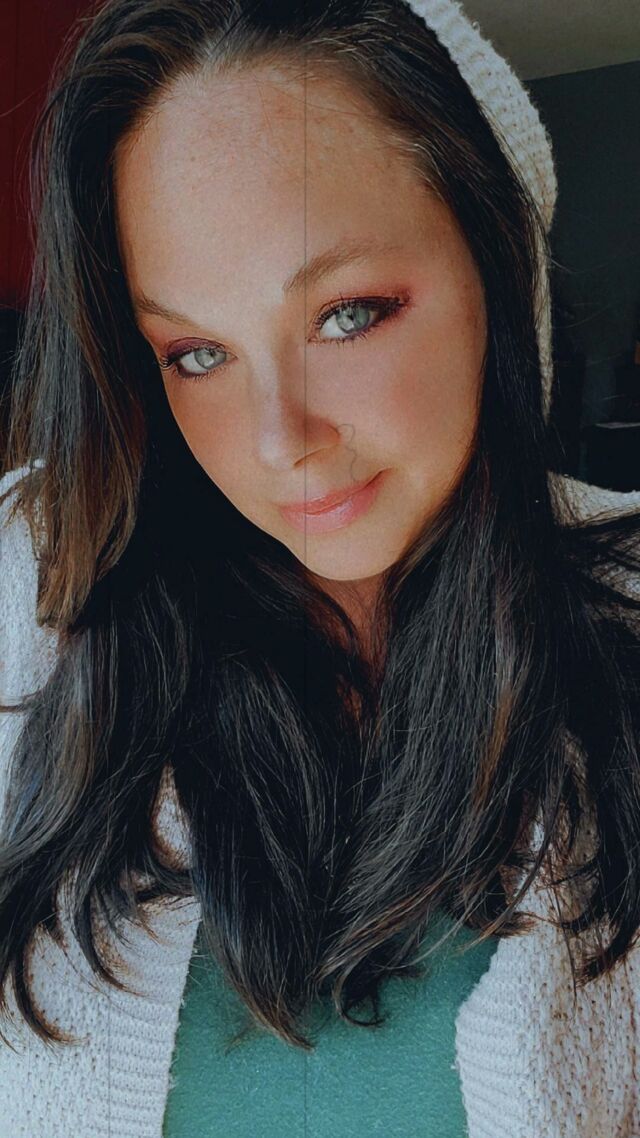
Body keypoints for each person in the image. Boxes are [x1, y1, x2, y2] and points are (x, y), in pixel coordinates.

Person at [1, 0, 640, 1134]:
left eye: (346, 315)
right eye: (196, 352)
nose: (275, 440)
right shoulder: (34, 591)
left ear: (497, 266)